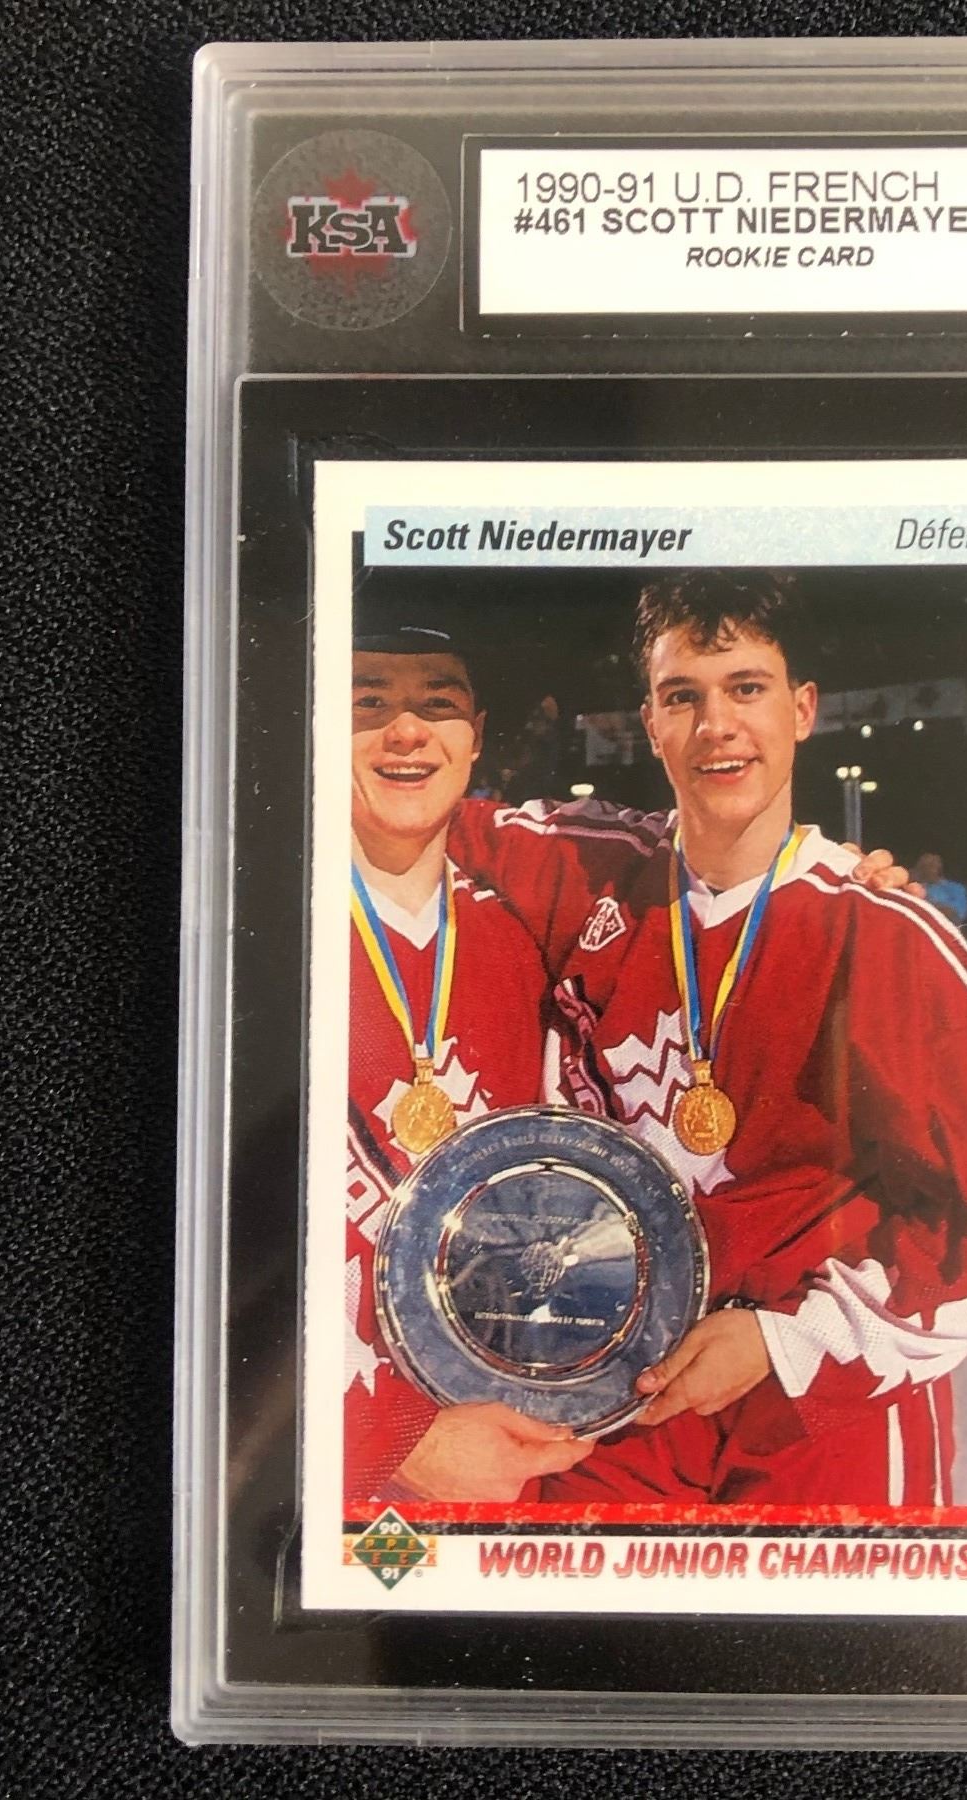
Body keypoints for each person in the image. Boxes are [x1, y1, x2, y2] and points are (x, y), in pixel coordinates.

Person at [451, 571, 967, 1507]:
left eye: (747, 688)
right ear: (650, 724)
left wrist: (788, 1339)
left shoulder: (884, 935)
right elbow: (399, 805)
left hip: (818, 1410)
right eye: (682, 697)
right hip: (611, 1397)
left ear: (802, 709)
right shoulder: (586, 870)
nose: (717, 725)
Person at [342, 600, 592, 1511]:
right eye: (368, 702)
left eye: (438, 703)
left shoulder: (522, 938)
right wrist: (391, 1438)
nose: (406, 731)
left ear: (476, 737)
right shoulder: (250, 924)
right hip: (321, 1468)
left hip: (494, 1449)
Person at [912, 851, 967, 928]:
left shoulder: (956, 888)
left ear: (939, 868)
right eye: (924, 865)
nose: (928, 869)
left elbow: (957, 915)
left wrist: (931, 905)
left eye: (932, 865)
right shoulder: (912, 887)